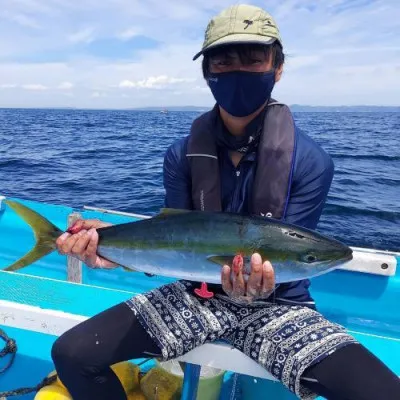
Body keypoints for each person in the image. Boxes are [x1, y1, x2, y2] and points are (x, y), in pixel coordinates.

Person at [52, 4, 400, 400]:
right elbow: (172, 236)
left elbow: (294, 251)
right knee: (71, 353)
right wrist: (111, 248)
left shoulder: (311, 162)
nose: (238, 69)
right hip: (194, 297)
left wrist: (258, 289)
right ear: (207, 72)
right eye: (223, 59)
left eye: (254, 58)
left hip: (278, 306)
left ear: (278, 67)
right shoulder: (180, 154)